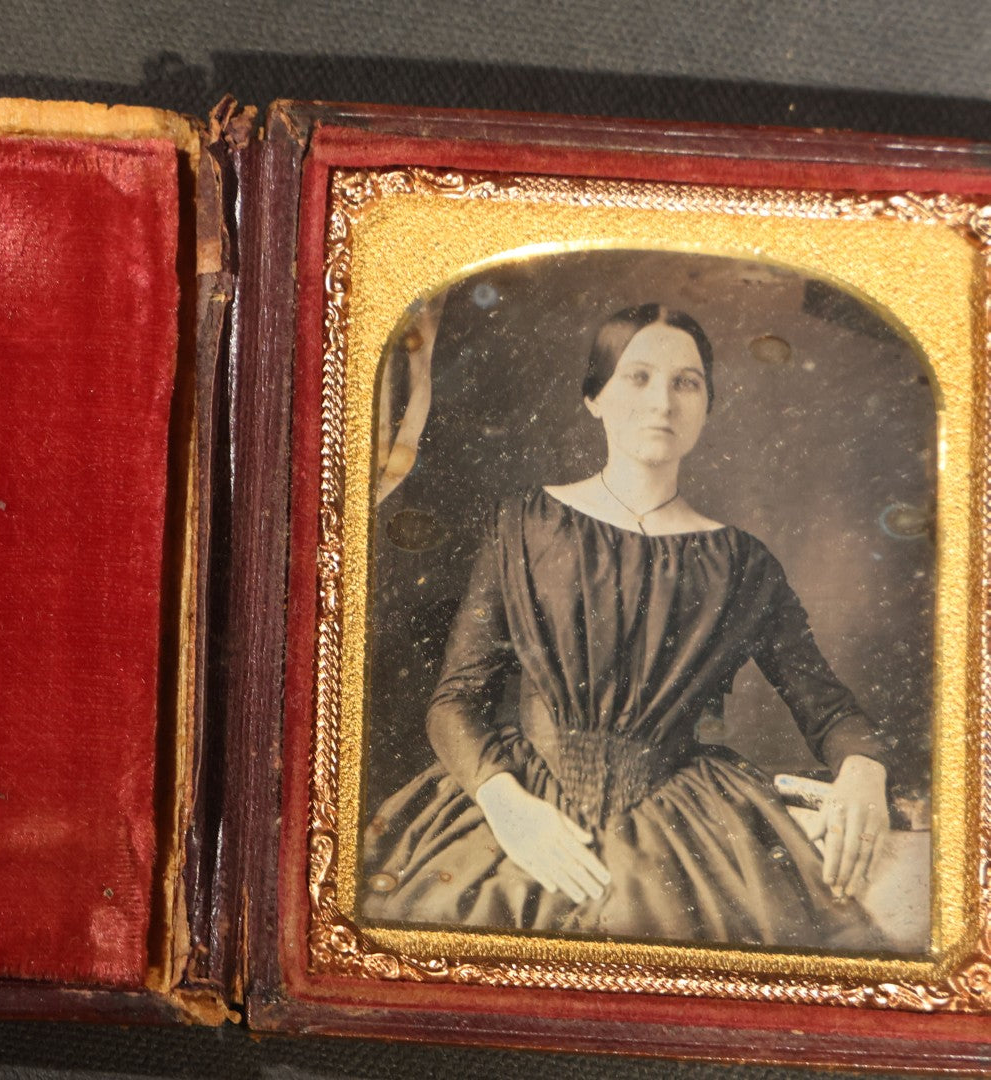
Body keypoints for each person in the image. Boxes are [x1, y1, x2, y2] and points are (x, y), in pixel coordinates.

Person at [360, 303, 893, 949]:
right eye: (638, 377)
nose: (662, 402)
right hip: (516, 801)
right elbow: (454, 700)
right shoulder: (524, 524)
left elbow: (829, 709)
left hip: (683, 821)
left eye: (686, 382)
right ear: (595, 396)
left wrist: (864, 770)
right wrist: (507, 806)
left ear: (706, 405)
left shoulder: (743, 563)